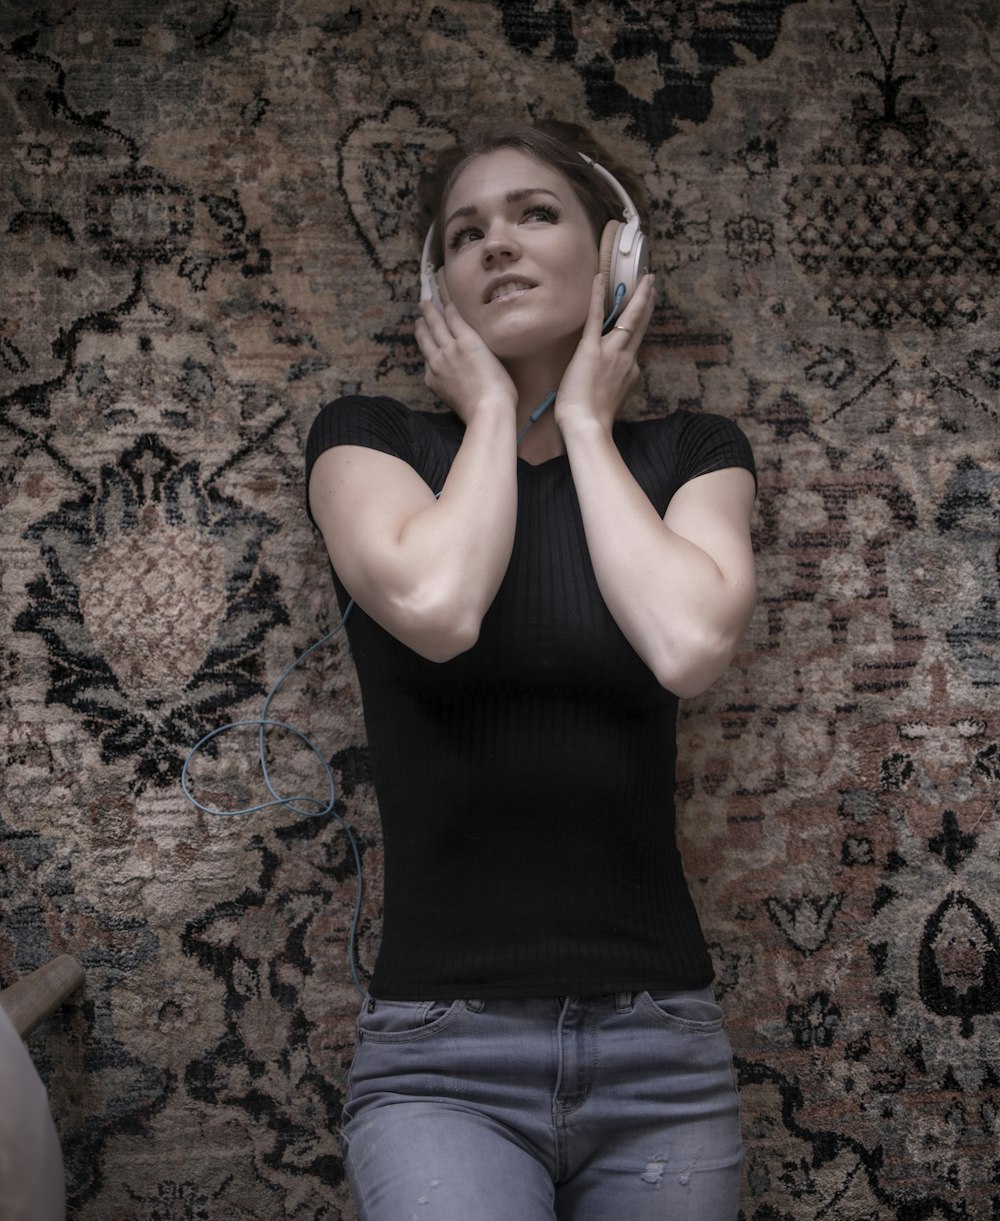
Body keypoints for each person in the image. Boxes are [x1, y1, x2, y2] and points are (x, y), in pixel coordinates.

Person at [305, 119, 757, 1220]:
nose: (495, 245)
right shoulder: (369, 442)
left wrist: (591, 428)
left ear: (618, 256)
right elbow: (440, 606)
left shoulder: (692, 455)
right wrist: (494, 412)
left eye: (534, 214)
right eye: (464, 235)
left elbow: (687, 645)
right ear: (437, 287)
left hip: (661, 1054)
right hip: (438, 1064)